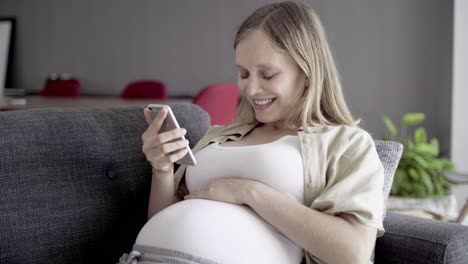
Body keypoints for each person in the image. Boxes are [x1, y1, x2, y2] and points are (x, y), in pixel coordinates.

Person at [119, 1, 385, 263]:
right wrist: (162, 169)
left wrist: (249, 192)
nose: (251, 89)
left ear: (307, 73)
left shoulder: (347, 144)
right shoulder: (218, 137)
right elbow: (164, 220)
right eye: (244, 74)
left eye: (267, 75)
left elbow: (353, 253)